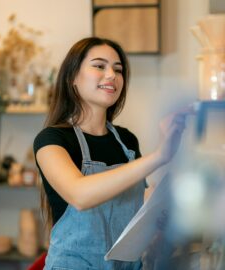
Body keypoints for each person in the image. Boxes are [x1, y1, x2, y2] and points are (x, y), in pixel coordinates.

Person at [33, 37, 192, 270]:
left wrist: (161, 207)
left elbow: (137, 205)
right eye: (99, 66)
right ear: (72, 78)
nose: (112, 75)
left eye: (118, 70)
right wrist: (160, 155)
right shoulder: (51, 140)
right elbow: (80, 195)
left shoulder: (126, 140)